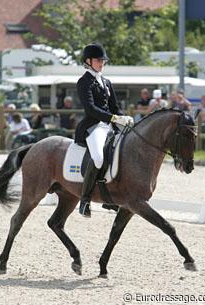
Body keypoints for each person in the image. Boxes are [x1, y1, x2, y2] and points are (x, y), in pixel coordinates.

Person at [75, 43, 134, 217]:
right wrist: (113, 118)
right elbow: (90, 108)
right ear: (88, 61)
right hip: (94, 127)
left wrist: (124, 118)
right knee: (99, 159)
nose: (102, 63)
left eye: (103, 60)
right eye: (98, 60)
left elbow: (114, 106)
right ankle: (84, 201)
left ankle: (110, 198)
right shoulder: (84, 82)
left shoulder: (106, 82)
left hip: (110, 125)